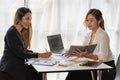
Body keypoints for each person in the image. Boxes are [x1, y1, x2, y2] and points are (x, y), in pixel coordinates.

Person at [0, 7, 52, 80]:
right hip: (10, 69)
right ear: (19, 19)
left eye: (30, 19)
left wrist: (38, 54)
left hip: (17, 65)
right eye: (27, 19)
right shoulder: (11, 33)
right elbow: (21, 53)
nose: (29, 22)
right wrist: (40, 55)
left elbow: (22, 50)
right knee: (36, 74)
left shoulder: (19, 32)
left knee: (38, 73)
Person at [65, 8, 116, 80]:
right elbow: (82, 51)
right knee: (74, 71)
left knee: (75, 73)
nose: (88, 23)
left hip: (106, 68)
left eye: (91, 20)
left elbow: (103, 57)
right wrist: (72, 53)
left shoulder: (103, 35)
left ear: (99, 21)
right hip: (94, 66)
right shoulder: (88, 35)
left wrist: (86, 55)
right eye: (87, 20)